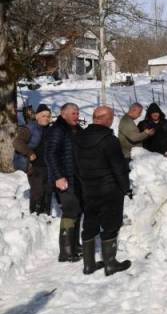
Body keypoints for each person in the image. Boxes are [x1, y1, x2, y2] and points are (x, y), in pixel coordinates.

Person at [74, 106, 131, 276]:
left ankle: (89, 265)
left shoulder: (79, 138)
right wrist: (125, 188)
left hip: (89, 189)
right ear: (106, 119)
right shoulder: (109, 140)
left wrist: (84, 182)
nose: (112, 120)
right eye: (112, 117)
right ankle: (110, 263)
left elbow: (75, 165)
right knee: (111, 225)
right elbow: (119, 167)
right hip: (109, 190)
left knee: (90, 223)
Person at [45, 103, 83, 262]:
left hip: (77, 178)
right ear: (63, 114)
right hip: (64, 178)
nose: (76, 116)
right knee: (70, 211)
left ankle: (74, 245)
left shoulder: (76, 129)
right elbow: (50, 154)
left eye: (77, 113)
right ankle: (65, 251)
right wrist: (58, 177)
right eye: (73, 113)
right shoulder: (58, 130)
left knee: (78, 210)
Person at [13, 104, 52, 214]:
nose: (46, 118)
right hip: (34, 166)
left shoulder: (51, 130)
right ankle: (35, 215)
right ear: (37, 116)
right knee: (37, 191)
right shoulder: (29, 128)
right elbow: (17, 142)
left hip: (48, 166)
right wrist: (29, 153)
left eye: (48, 116)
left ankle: (46, 215)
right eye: (43, 116)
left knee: (48, 191)